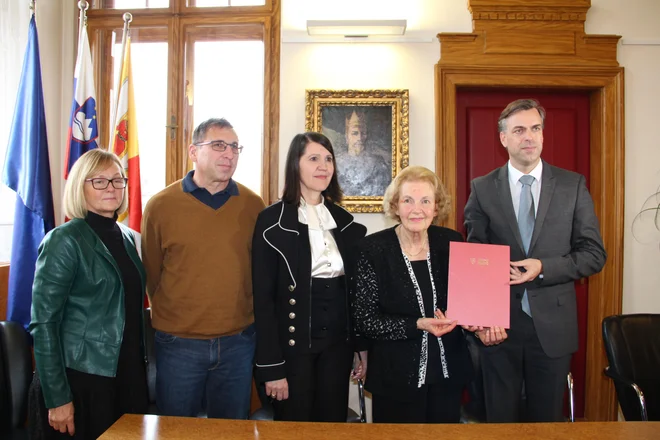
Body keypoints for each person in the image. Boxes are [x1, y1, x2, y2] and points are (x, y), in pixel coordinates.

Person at [463, 98, 607, 422]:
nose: (529, 137)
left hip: (554, 330)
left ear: (542, 134)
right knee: (499, 421)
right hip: (499, 330)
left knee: (547, 423)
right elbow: (476, 262)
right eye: (519, 130)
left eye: (535, 128)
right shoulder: (483, 189)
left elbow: (594, 254)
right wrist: (484, 319)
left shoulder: (572, 186)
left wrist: (544, 267)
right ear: (503, 138)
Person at [141, 118, 265, 419]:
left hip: (238, 343)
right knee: (176, 431)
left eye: (235, 147)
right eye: (219, 145)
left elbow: (260, 273)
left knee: (231, 431)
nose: (229, 154)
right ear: (193, 152)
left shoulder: (253, 205)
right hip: (178, 344)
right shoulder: (160, 206)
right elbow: (152, 274)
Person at [27, 149, 148, 439]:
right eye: (99, 181)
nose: (111, 188)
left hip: (126, 375)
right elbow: (44, 324)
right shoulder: (64, 240)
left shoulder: (128, 237)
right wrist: (57, 398)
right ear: (80, 185)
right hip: (80, 379)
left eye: (118, 180)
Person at [252, 132, 368, 422]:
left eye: (328, 159)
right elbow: (263, 302)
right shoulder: (271, 223)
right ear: (295, 165)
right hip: (292, 351)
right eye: (313, 158)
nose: (323, 166)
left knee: (331, 425)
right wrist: (272, 368)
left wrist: (360, 348)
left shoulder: (346, 224)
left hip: (337, 349)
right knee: (295, 427)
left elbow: (355, 296)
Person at [351, 165, 473, 424]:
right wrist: (418, 324)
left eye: (425, 201)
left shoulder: (452, 242)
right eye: (408, 200)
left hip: (447, 375)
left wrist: (477, 320)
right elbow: (366, 320)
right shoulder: (372, 249)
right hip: (395, 378)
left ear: (436, 207)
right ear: (395, 206)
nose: (417, 209)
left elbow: (468, 300)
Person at [334, 109, 391, 197]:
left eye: (363, 133)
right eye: (355, 133)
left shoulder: (378, 163)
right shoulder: (335, 164)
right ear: (346, 136)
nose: (359, 138)